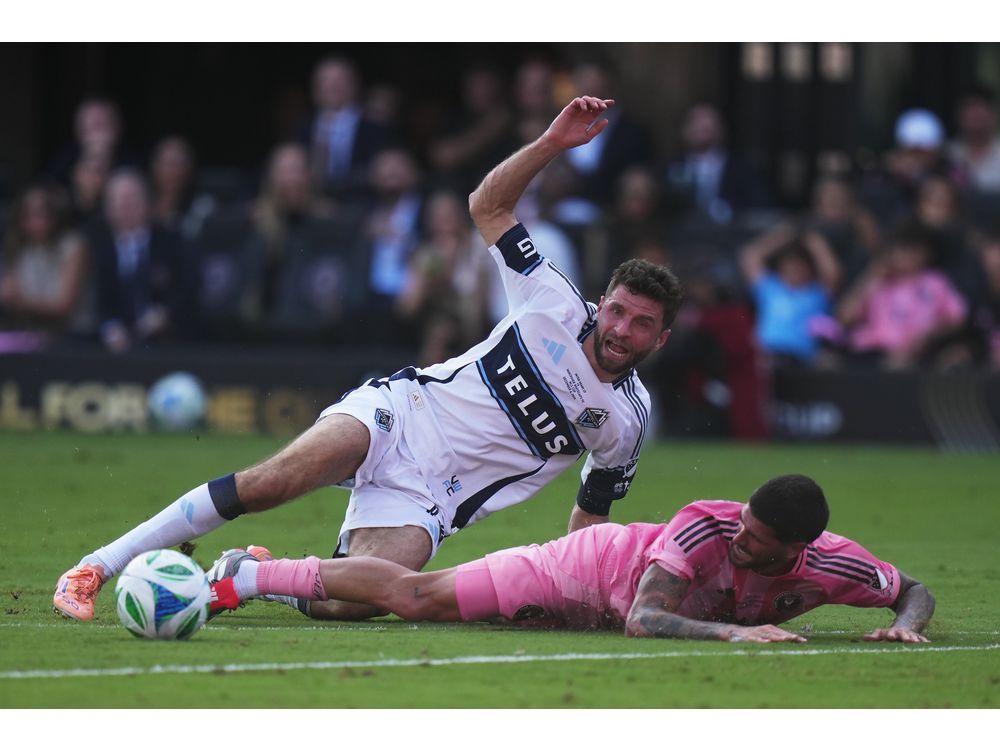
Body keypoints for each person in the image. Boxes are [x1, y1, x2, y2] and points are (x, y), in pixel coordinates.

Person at [52, 96, 683, 624]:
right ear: (602, 304)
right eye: (619, 311)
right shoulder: (552, 299)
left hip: (435, 496)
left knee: (352, 607)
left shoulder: (626, 421)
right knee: (270, 482)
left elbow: (592, 514)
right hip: (401, 413)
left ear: (661, 340)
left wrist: (573, 586)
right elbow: (487, 207)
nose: (622, 328)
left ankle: (246, 573)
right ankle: (95, 567)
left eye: (642, 324)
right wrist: (549, 144)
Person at [209, 474, 935, 644]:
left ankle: (281, 583)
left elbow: (914, 588)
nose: (739, 541)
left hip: (592, 610)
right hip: (586, 571)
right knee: (416, 597)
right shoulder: (700, 528)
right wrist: (735, 634)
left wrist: (906, 623)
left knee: (355, 608)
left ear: (797, 552)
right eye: (741, 528)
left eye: (756, 543)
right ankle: (243, 576)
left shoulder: (835, 568)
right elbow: (646, 618)